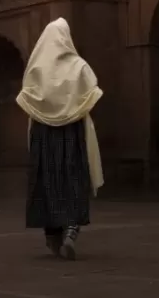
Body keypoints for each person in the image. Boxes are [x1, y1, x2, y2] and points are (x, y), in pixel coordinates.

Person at [16, 17, 104, 259]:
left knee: (47, 181)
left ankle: (51, 236)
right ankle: (71, 232)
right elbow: (91, 96)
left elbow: (28, 100)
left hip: (43, 136)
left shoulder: (35, 70)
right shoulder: (79, 67)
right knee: (73, 177)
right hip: (71, 134)